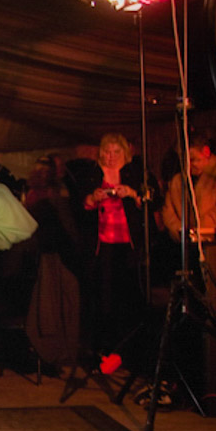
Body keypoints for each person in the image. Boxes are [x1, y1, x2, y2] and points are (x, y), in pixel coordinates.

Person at [74, 134, 147, 363]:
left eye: (116, 152)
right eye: (107, 151)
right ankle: (104, 349)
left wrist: (132, 194)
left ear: (125, 153)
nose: (111, 156)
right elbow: (78, 206)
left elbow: (150, 202)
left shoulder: (136, 173)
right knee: (103, 297)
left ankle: (129, 350)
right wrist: (92, 198)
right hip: (102, 245)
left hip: (128, 245)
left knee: (129, 296)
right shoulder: (92, 174)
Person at [160, 139, 216, 240]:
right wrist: (182, 233)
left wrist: (198, 231)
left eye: (192, 159)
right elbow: (168, 213)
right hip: (186, 242)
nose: (188, 165)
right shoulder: (177, 181)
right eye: (184, 160)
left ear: (206, 152)